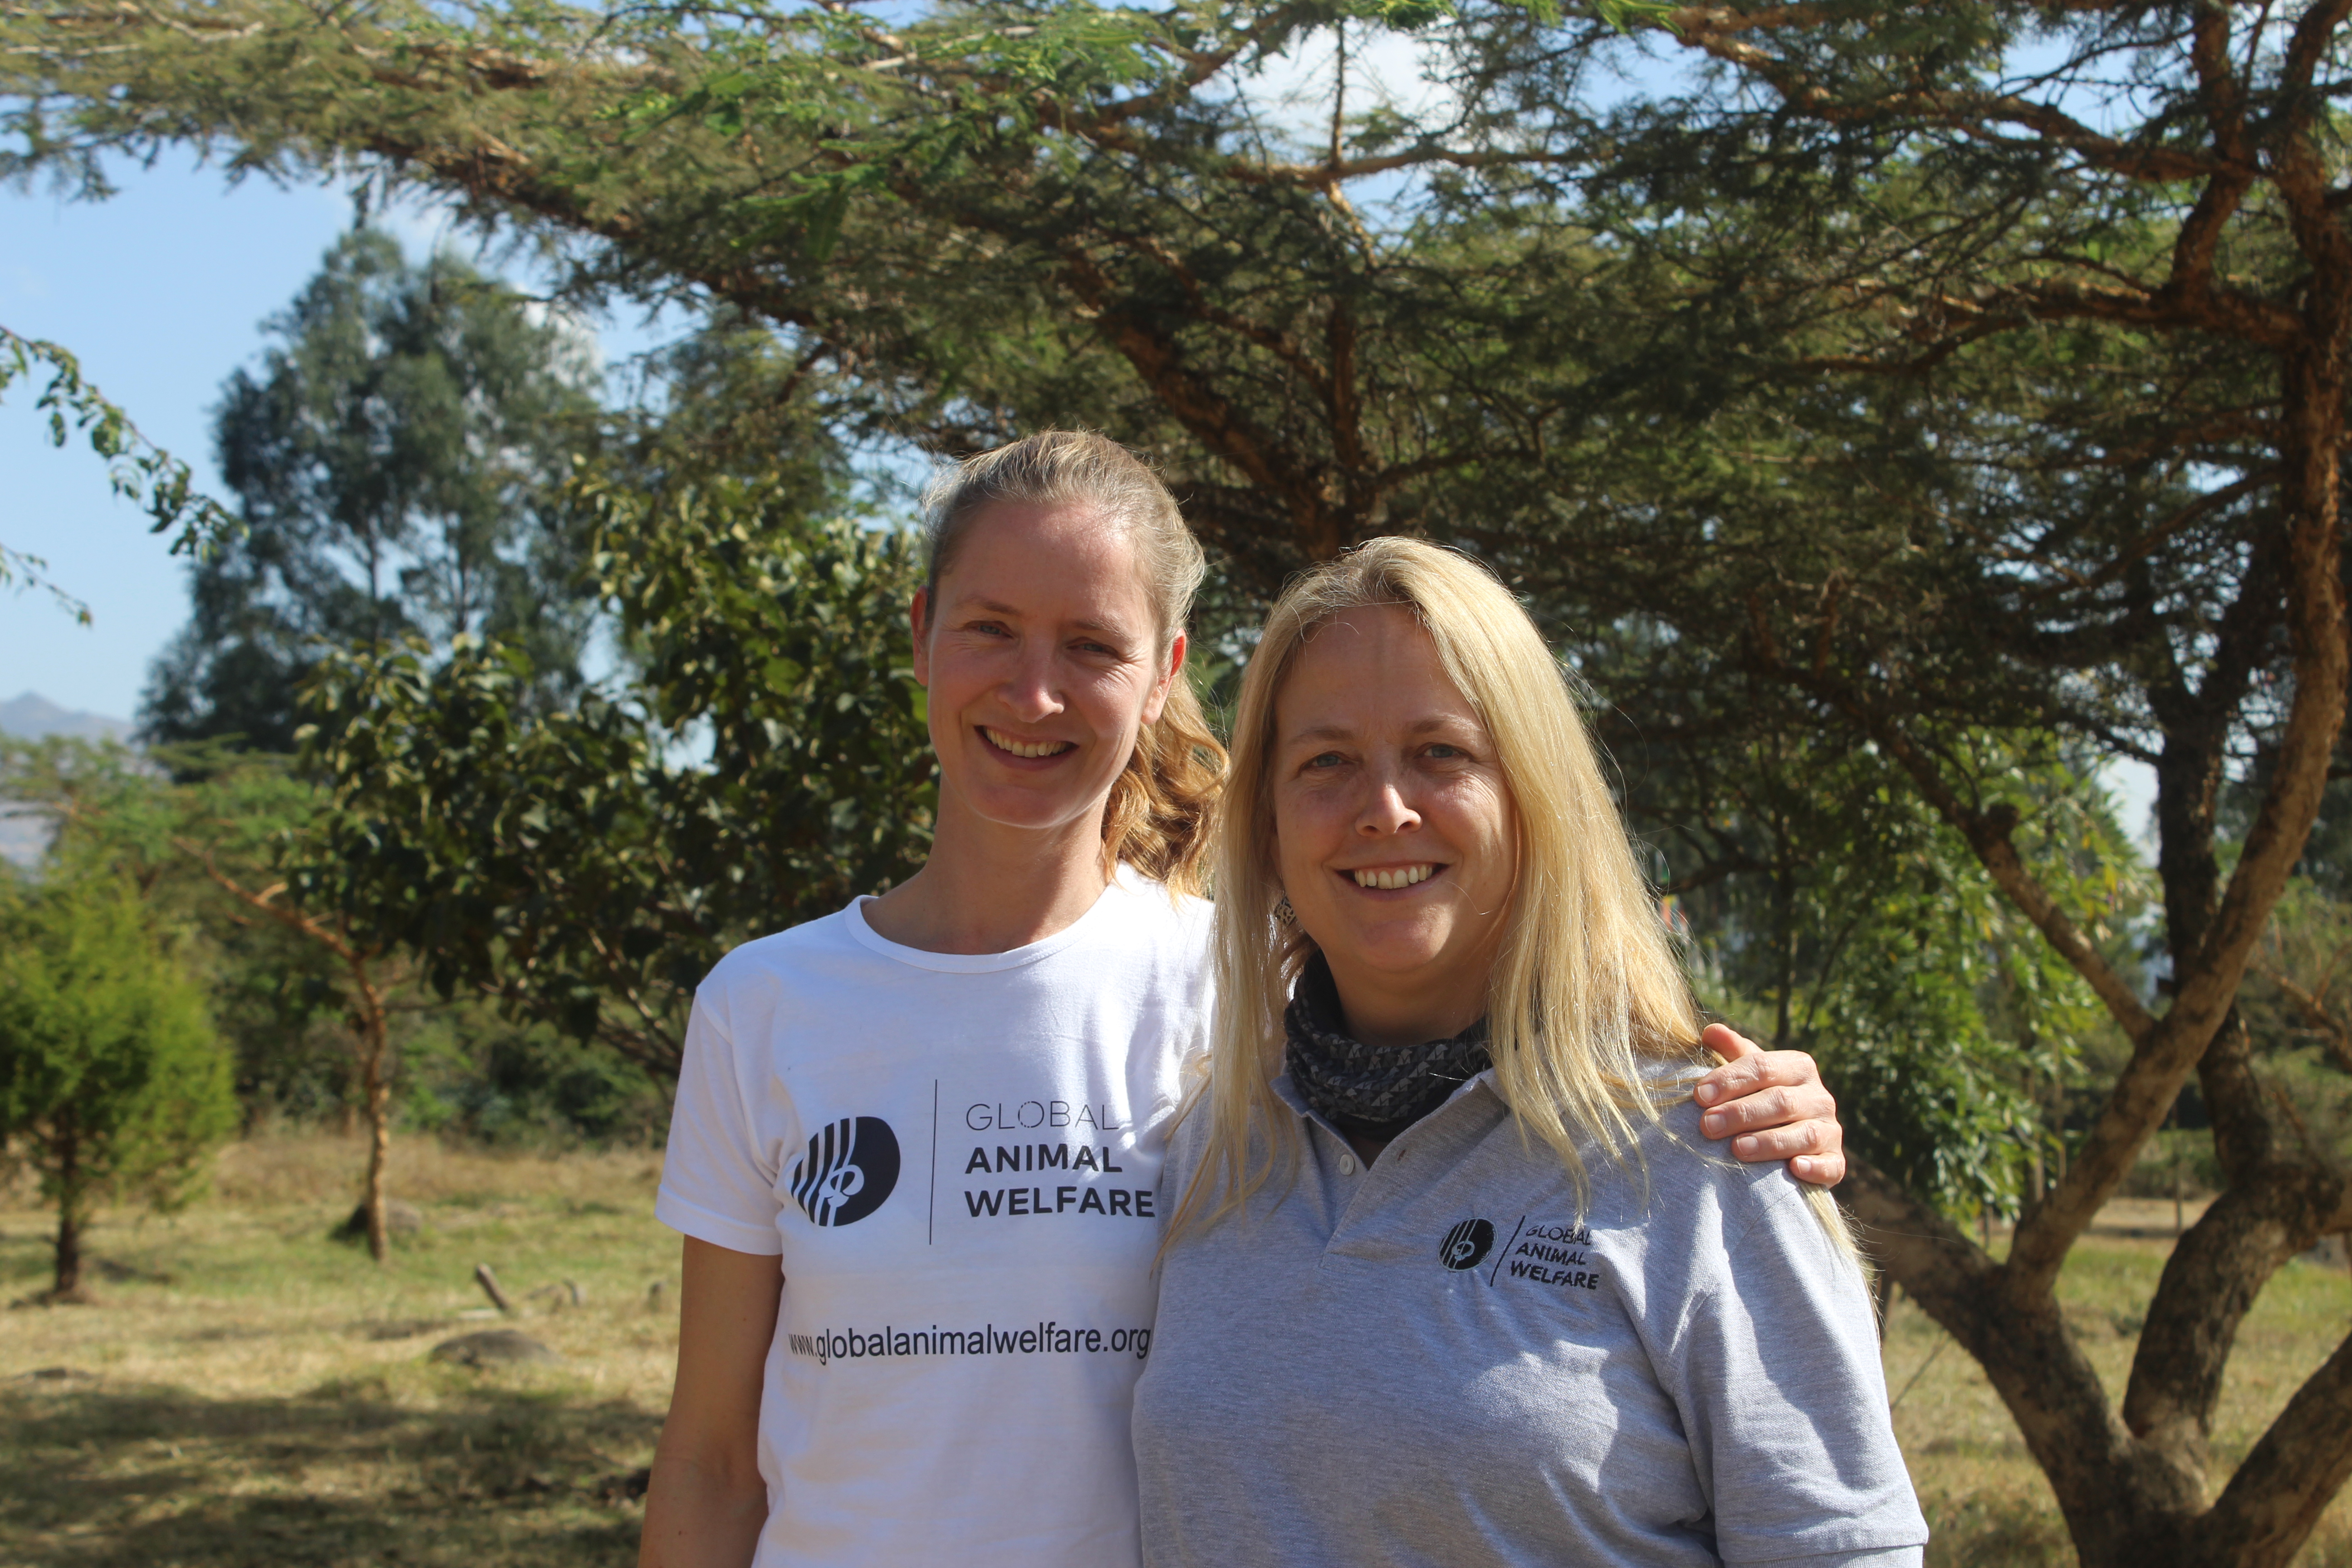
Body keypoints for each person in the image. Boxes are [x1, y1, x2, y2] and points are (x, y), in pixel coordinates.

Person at [639, 434, 1851, 1568]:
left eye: (1092, 646)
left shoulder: (1249, 995)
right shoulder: (765, 1007)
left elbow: (1477, 1017)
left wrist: (1738, 1115)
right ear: (921, 634)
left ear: (1164, 675)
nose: (1035, 692)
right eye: (991, 629)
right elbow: (709, 1464)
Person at [1134, 537, 1926, 1568]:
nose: (1385, 808)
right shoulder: (1210, 1151)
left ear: (1535, 799)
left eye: (1442, 753)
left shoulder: (1706, 1153)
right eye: (1326, 762)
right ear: (1269, 827)